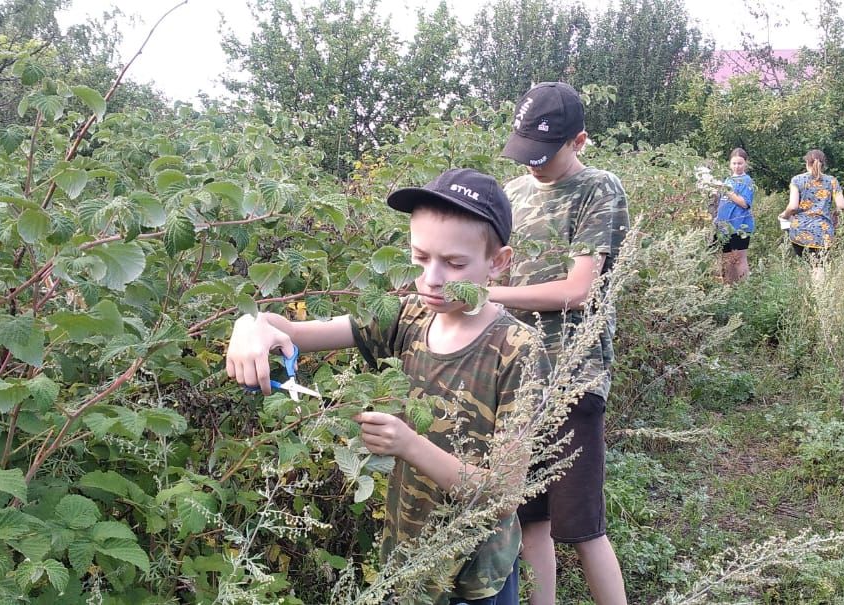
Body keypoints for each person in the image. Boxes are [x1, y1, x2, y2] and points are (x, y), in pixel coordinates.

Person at [225, 169, 548, 605]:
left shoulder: (517, 351)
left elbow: (506, 494)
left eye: (454, 264)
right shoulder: (407, 315)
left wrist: (409, 445)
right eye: (419, 257)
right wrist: (252, 325)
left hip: (472, 573)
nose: (432, 278)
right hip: (406, 554)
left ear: (498, 262)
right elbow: (299, 332)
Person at [487, 81, 630, 605]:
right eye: (526, 152)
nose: (534, 165)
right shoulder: (511, 192)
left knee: (582, 528)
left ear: (581, 141)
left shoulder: (600, 189)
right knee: (529, 521)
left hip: (573, 377)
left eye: (546, 154)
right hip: (512, 378)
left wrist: (487, 295)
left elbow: (579, 289)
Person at [780, 149, 844, 261]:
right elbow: (841, 205)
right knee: (818, 266)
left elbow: (793, 207)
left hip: (800, 231)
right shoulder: (832, 181)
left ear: (806, 162)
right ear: (823, 164)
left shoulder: (797, 180)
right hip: (823, 231)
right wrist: (834, 215)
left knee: (808, 265)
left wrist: (784, 216)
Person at [713, 148, 755, 284]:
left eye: (740, 163)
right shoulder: (727, 180)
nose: (737, 166)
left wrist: (728, 191)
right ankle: (728, 290)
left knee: (739, 258)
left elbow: (744, 203)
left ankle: (744, 290)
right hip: (724, 226)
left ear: (745, 164)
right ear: (730, 164)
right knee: (727, 259)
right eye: (734, 163)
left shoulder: (747, 181)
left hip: (740, 226)